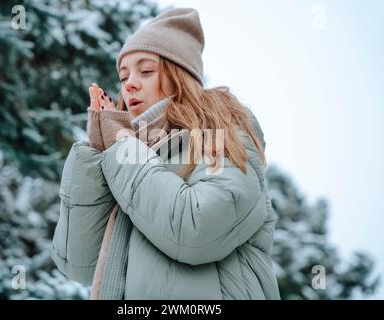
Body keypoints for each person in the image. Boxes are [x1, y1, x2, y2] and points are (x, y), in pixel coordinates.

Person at [51, 7, 280, 300]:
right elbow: (80, 264)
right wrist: (99, 153)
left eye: (146, 71)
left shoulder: (223, 133)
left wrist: (122, 149)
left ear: (179, 76)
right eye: (123, 77)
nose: (130, 83)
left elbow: (196, 231)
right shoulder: (131, 156)